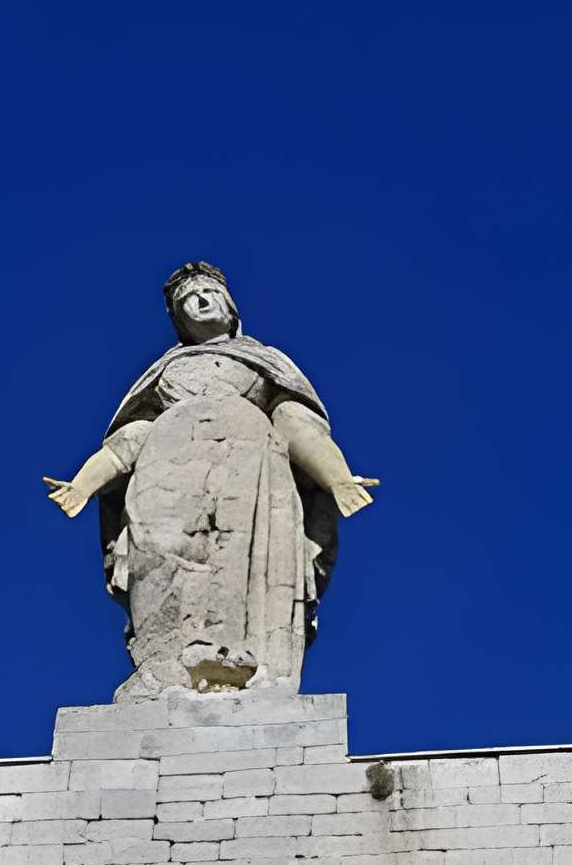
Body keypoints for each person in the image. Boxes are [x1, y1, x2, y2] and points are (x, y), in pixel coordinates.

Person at [45, 263, 377, 693]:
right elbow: (133, 436)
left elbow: (294, 420)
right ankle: (163, 667)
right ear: (178, 318)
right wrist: (83, 484)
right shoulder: (164, 372)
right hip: (165, 468)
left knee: (238, 557)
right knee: (159, 552)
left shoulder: (265, 360)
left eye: (208, 292)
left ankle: (236, 665)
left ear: (229, 303)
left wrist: (336, 479)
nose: (200, 301)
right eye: (188, 298)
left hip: (248, 463)